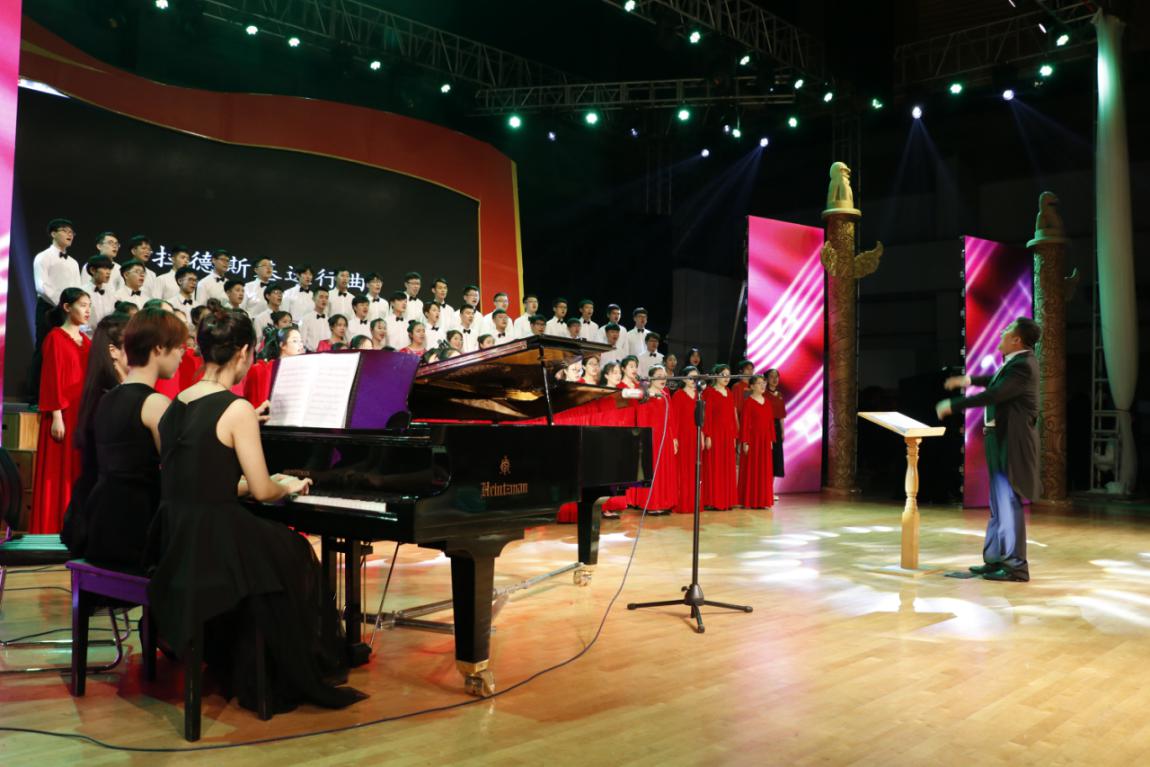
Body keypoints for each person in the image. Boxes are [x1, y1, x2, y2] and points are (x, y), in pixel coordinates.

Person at [146, 308, 366, 715]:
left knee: (274, 552)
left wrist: (257, 481)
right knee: (297, 553)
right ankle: (293, 665)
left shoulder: (176, 403)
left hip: (176, 535)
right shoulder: (236, 409)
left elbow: (202, 478)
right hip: (215, 536)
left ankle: (249, 658)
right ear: (244, 352)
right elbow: (264, 492)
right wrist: (287, 484)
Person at [937, 318, 1041, 582]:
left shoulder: (1023, 366)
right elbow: (995, 382)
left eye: (1007, 331)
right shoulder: (1015, 362)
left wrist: (954, 404)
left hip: (1012, 441)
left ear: (1016, 340)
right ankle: (995, 560)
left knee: (1008, 502)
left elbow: (995, 394)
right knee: (998, 503)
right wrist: (968, 379)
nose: (1001, 333)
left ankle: (1016, 567)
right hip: (997, 438)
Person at [84, 308, 188, 567]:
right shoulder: (155, 403)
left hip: (100, 526)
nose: (182, 356)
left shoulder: (107, 398)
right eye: (179, 348)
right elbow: (182, 472)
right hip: (137, 531)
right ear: (158, 348)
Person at [60, 312, 131, 556]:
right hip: (101, 514)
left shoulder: (106, 392)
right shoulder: (109, 398)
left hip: (99, 506)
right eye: (136, 344)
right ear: (113, 351)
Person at [31, 287, 92, 534]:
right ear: (67, 307)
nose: (87, 310)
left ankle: (76, 529)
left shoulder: (87, 341)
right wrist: (56, 415)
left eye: (89, 306)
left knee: (77, 472)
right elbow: (51, 378)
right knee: (57, 473)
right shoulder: (55, 337)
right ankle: (52, 527)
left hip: (82, 414)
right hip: (63, 414)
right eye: (83, 305)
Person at [625, 365, 678, 514]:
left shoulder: (666, 393)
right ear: (651, 378)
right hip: (651, 437)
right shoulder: (645, 394)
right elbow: (641, 418)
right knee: (652, 470)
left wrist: (674, 438)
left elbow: (671, 417)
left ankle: (664, 502)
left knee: (664, 470)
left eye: (664, 376)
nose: (663, 379)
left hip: (665, 437)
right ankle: (652, 504)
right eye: (659, 376)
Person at [702, 364, 738, 511]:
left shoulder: (729, 392)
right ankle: (713, 500)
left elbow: (732, 417)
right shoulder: (709, 392)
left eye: (728, 375)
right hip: (715, 434)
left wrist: (734, 436)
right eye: (723, 375)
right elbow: (706, 416)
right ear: (715, 376)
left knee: (727, 467)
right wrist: (708, 435)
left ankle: (726, 499)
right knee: (714, 466)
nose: (726, 378)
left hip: (727, 435)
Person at [738, 375, 776, 510]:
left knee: (764, 469)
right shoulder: (748, 402)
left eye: (763, 383)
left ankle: (763, 499)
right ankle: (751, 499)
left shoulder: (767, 402)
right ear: (752, 386)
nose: (763, 385)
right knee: (752, 469)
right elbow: (745, 424)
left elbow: (770, 423)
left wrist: (771, 439)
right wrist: (745, 441)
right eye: (759, 383)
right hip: (753, 440)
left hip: (765, 440)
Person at [672, 367, 702, 514]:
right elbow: (674, 419)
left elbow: (702, 418)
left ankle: (695, 502)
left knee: (696, 469)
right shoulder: (678, 395)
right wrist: (674, 438)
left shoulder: (699, 395)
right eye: (691, 377)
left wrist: (703, 434)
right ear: (684, 379)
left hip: (696, 435)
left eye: (696, 378)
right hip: (683, 436)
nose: (694, 381)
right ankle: (683, 502)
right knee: (683, 469)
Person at [83, 255, 118, 329]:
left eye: (109, 269)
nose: (108, 272)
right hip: (88, 334)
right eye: (105, 268)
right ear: (93, 270)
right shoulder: (83, 292)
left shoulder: (111, 293)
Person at [765, 368, 787, 483]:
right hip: (765, 428)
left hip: (777, 428)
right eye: (772, 376)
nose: (775, 379)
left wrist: (783, 431)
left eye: (776, 376)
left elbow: (782, 415)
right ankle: (764, 488)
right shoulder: (763, 394)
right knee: (766, 457)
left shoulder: (780, 395)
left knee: (776, 458)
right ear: (766, 379)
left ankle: (771, 488)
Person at [299, 286, 330, 352]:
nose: (324, 300)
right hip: (311, 354)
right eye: (321, 297)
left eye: (326, 298)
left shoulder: (329, 320)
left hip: (327, 354)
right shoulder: (305, 319)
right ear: (313, 298)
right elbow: (302, 341)